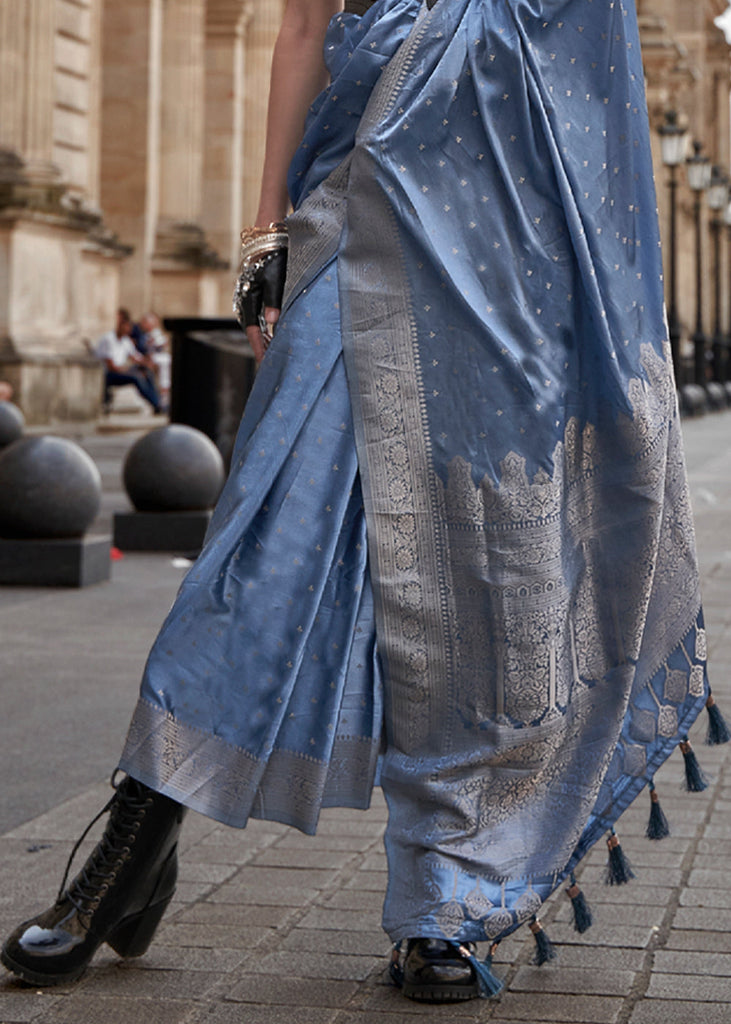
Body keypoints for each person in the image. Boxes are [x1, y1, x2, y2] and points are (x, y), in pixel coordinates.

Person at [1, 0, 719, 1005]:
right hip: (359, 205)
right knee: (263, 534)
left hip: (506, 248)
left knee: (481, 569)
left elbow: (592, 71)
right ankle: (140, 828)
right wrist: (267, 230)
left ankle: (447, 896)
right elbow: (301, 27)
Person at [94, 308, 164, 414]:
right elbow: (111, 366)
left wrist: (147, 364)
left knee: (146, 372)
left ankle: (157, 403)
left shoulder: (125, 340)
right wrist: (130, 371)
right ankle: (155, 403)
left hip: (121, 370)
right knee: (136, 378)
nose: (129, 330)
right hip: (109, 374)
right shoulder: (109, 339)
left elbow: (135, 357)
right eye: (126, 327)